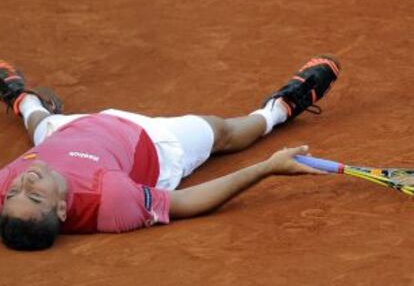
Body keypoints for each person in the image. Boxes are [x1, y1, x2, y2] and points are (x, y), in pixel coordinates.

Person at [0, 55, 340, 250]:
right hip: (151, 141)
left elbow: (20, 188)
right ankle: (280, 108)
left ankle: (20, 97)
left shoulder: (10, 184)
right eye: (34, 197)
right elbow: (185, 202)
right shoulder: (110, 201)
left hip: (66, 131)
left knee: (41, 125)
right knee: (224, 132)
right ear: (62, 209)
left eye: (14, 192)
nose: (24, 182)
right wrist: (266, 168)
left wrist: (20, 193)